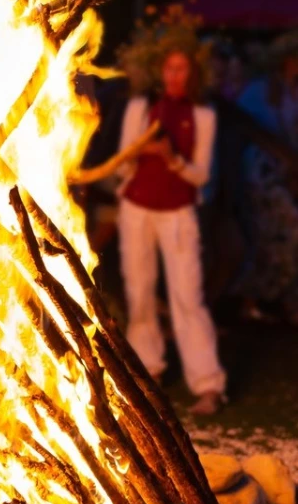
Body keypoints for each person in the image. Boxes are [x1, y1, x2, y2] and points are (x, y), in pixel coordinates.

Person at [117, 46, 226, 415]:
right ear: (160, 72)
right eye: (170, 68)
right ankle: (148, 374)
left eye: (183, 69)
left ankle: (208, 384)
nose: (175, 76)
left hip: (178, 213)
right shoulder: (141, 109)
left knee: (187, 298)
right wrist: (139, 153)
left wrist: (171, 159)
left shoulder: (202, 116)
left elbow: (201, 175)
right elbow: (121, 164)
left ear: (194, 73)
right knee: (140, 293)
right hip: (137, 209)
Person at [236, 32, 298, 323]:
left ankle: (275, 299)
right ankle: (251, 299)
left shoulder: (290, 91)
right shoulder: (261, 89)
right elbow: (244, 123)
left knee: (283, 234)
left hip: (285, 171)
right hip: (263, 171)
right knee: (267, 232)